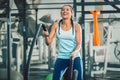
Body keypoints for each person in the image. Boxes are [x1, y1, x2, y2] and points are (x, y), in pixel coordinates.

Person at [43, 5, 83, 80]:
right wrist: (46, 36)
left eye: (67, 10)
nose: (64, 11)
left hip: (75, 57)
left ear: (72, 13)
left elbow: (79, 44)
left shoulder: (77, 26)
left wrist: (75, 52)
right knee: (56, 78)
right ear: (61, 13)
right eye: (63, 10)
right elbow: (48, 42)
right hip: (62, 57)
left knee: (79, 78)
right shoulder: (56, 25)